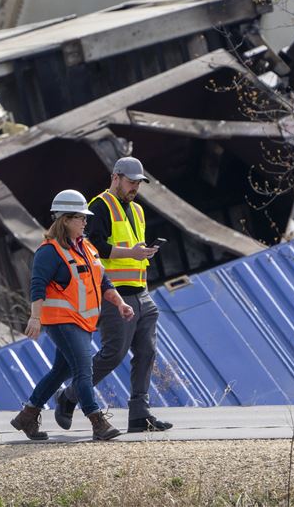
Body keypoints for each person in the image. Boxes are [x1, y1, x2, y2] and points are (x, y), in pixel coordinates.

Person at [54, 156, 174, 433]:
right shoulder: (98, 206)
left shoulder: (138, 211)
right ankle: (68, 396)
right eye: (131, 182)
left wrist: (142, 252)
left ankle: (139, 415)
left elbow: (129, 248)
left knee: (147, 352)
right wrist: (132, 253)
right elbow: (93, 247)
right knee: (113, 354)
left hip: (142, 292)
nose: (135, 188)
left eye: (138, 184)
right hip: (114, 294)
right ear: (116, 177)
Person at [9, 189, 135, 441]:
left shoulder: (86, 247)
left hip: (84, 322)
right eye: (81, 217)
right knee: (84, 369)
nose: (85, 222)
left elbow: (103, 281)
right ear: (65, 219)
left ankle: (27, 415)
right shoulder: (49, 251)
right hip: (61, 322)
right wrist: (35, 317)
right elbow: (37, 285)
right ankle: (97, 422)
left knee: (60, 372)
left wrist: (120, 303)